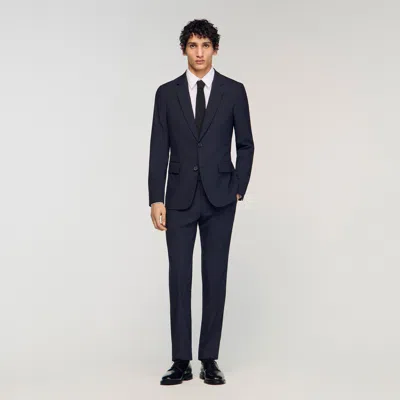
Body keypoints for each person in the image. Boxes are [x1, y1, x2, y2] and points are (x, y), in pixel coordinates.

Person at [148, 18, 255, 385]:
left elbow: (245, 143)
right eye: (193, 45)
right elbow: (158, 148)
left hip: (220, 197)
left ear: (215, 49)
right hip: (178, 198)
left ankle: (209, 359)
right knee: (179, 277)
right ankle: (181, 360)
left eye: (205, 46)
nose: (199, 52)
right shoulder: (166, 94)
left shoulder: (233, 91)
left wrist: (239, 186)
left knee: (214, 275)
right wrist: (155, 198)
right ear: (184, 50)